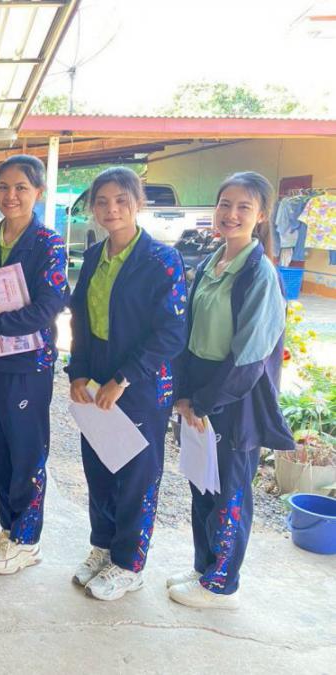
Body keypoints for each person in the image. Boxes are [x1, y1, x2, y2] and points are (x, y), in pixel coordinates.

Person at [170, 172, 294, 609]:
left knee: (229, 490)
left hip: (234, 397)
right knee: (201, 483)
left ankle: (222, 584)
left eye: (244, 207)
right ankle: (204, 567)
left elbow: (250, 358)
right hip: (200, 393)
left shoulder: (260, 274)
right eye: (225, 204)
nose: (231, 214)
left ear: (261, 216)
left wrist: (204, 402)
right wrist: (184, 394)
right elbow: (189, 333)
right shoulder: (211, 262)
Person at [66, 167, 188, 601]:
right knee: (99, 467)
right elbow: (80, 320)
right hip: (97, 379)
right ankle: (104, 547)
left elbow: (171, 333)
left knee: (136, 475)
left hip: (141, 385)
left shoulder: (162, 260)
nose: (111, 209)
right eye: (102, 201)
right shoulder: (94, 256)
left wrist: (123, 378)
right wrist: (78, 372)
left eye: (121, 200)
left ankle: (130, 564)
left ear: (138, 203)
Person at [0, 155, 70, 575]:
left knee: (26, 453)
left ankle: (27, 539)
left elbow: (48, 306)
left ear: (38, 192)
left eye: (21, 187)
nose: (10, 195)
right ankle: (9, 527)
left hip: (27, 367)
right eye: (4, 186)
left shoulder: (48, 244)